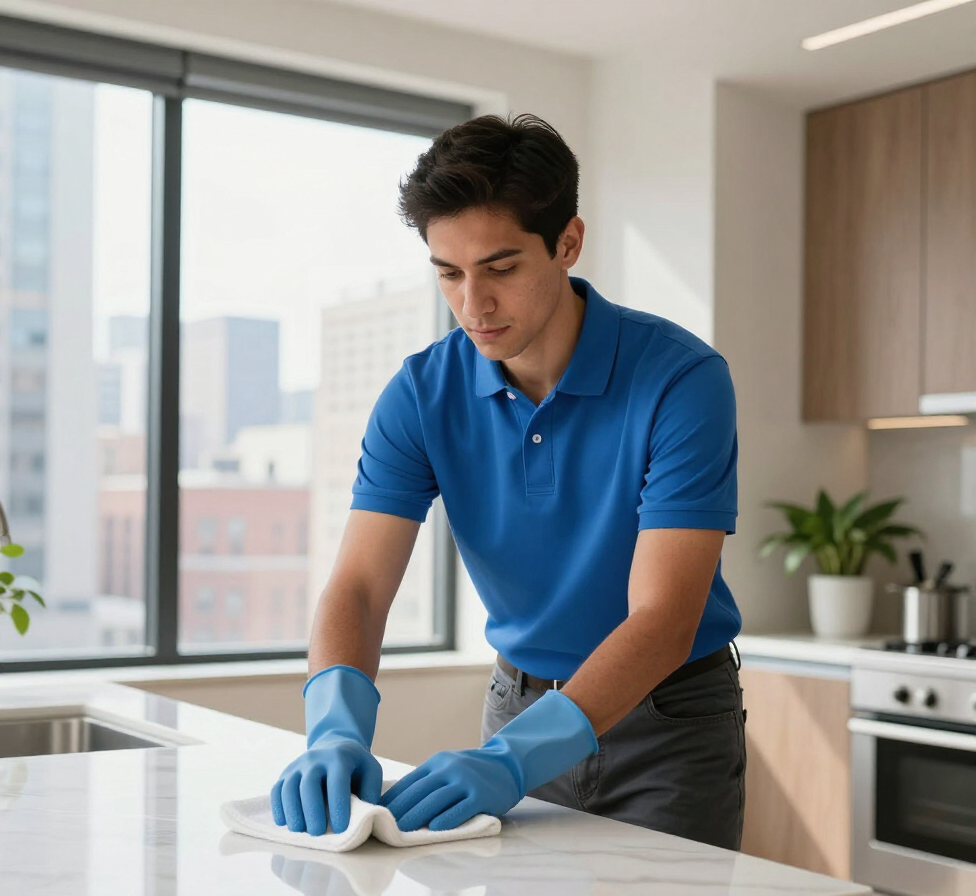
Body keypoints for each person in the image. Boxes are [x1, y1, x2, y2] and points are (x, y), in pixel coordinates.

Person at [271, 113, 745, 851]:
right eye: (448, 274)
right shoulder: (421, 394)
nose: (473, 304)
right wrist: (334, 725)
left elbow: (663, 619)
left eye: (500, 268)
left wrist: (511, 761)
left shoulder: (681, 381)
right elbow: (360, 586)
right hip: (515, 709)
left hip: (669, 726)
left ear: (567, 243)